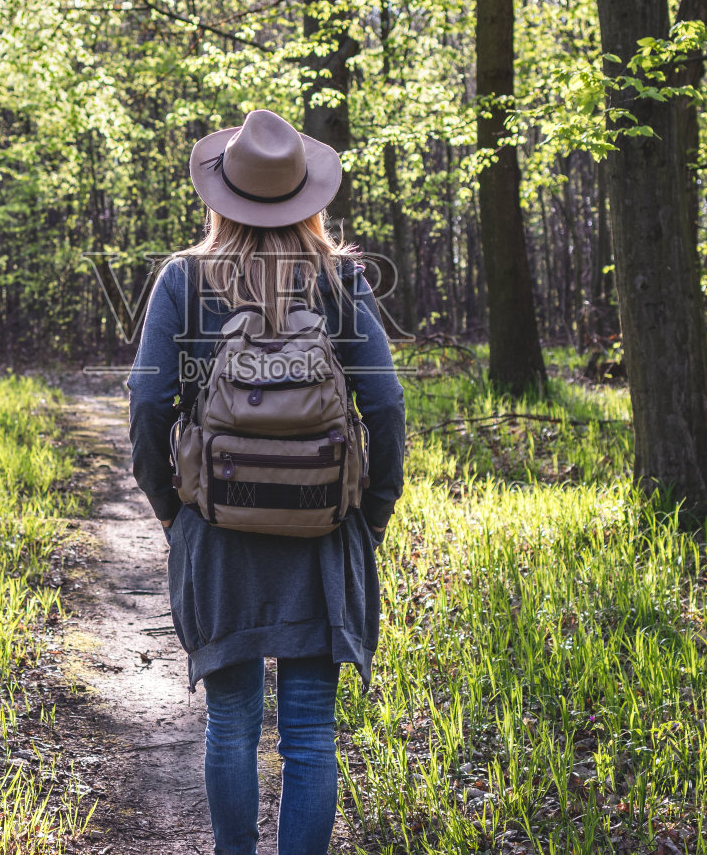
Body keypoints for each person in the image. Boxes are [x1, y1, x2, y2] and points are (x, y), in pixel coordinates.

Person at [127, 108, 406, 855]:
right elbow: (384, 407)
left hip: (220, 536)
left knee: (231, 724)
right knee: (311, 732)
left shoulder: (184, 280)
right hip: (321, 536)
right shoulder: (343, 280)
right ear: (307, 196)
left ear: (221, 196)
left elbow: (149, 406)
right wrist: (365, 519)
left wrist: (175, 514)